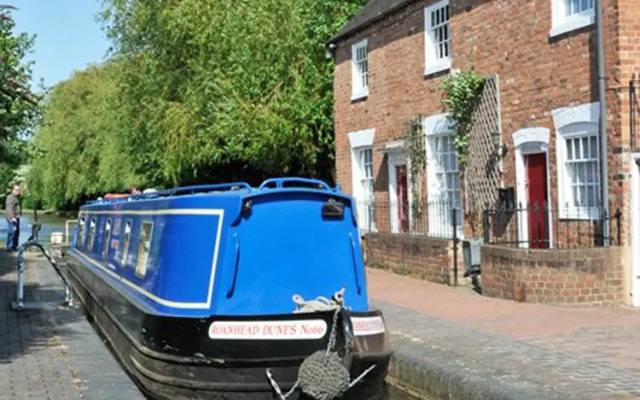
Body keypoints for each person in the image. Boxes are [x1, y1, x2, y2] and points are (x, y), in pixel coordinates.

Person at [4, 184, 21, 251]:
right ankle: (9, 246)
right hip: (11, 217)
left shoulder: (16, 197)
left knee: (16, 232)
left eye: (19, 190)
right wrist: (12, 217)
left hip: (16, 216)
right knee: (11, 232)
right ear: (12, 190)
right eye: (16, 190)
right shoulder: (10, 197)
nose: (18, 191)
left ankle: (14, 246)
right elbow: (9, 208)